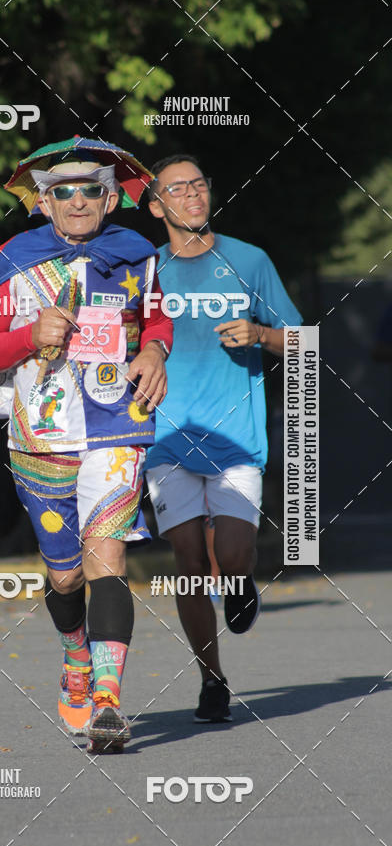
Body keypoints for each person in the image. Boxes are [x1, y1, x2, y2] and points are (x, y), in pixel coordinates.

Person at [0, 139, 172, 750]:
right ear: (42, 202)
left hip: (118, 423)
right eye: (62, 191)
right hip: (40, 433)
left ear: (109, 197)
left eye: (90, 189)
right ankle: (75, 654)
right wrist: (26, 334)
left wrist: (155, 349)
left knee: (108, 557)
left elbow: (158, 317)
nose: (77, 201)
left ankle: (107, 703)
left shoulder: (137, 252)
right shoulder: (11, 259)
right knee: (66, 576)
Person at [145, 153, 302, 722]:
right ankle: (212, 680)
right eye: (177, 189)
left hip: (236, 438)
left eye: (199, 184)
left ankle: (239, 582)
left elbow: (303, 344)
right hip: (166, 437)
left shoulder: (249, 261)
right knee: (188, 558)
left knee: (231, 555)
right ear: (156, 204)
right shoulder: (146, 271)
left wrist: (261, 333)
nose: (192, 195)